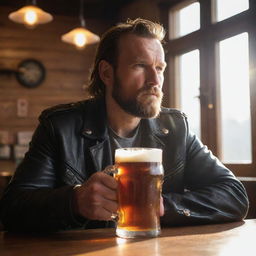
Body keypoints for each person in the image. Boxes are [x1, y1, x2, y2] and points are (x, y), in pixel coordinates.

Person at [0, 18, 249, 232]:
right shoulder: (60, 126)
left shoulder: (175, 128)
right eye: (140, 66)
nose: (155, 80)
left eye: (159, 68)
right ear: (107, 73)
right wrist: (75, 202)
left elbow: (233, 195)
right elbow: (13, 209)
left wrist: (160, 207)